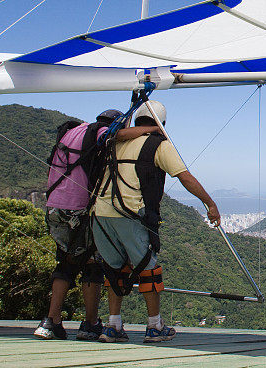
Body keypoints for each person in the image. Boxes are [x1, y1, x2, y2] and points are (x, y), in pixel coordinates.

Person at [91, 100, 220, 344]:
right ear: (162, 123)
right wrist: (210, 204)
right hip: (130, 213)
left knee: (113, 269)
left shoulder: (115, 141)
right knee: (149, 269)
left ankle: (113, 325)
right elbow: (185, 177)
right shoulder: (158, 144)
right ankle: (154, 326)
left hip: (99, 213)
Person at [34, 109, 160, 341]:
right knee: (92, 264)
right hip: (79, 209)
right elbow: (119, 135)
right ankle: (90, 323)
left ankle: (51, 322)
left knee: (65, 262)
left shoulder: (72, 132)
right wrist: (154, 128)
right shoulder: (99, 132)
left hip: (54, 207)